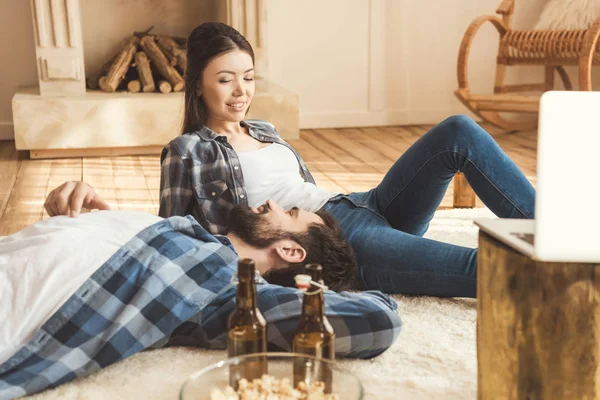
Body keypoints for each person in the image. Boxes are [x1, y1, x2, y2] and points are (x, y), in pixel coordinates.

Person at [44, 22, 536, 299]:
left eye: (249, 77)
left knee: (458, 132)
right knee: (484, 267)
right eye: (225, 79)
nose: (241, 92)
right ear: (198, 84)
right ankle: (574, 270)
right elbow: (175, 237)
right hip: (337, 242)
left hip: (359, 207)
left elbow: (309, 192)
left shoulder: (266, 130)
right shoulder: (187, 151)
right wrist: (103, 215)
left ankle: (560, 231)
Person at [0, 201, 401, 399]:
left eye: (289, 212)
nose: (272, 203)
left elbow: (377, 322)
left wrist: (318, 290)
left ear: (292, 252)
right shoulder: (191, 236)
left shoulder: (231, 292)